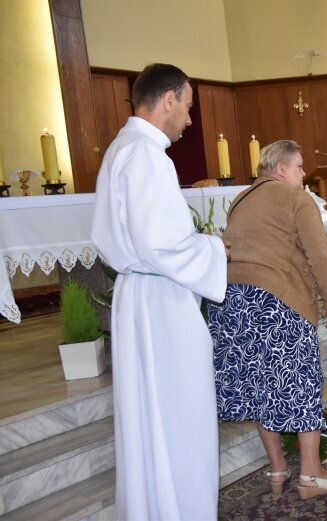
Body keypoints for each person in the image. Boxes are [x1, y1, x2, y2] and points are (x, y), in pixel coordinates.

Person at [91, 63, 228, 520]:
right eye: (187, 107)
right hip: (161, 301)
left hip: (142, 297)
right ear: (167, 99)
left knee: (150, 418)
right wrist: (215, 248)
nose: (189, 120)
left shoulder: (121, 148)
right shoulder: (148, 155)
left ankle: (157, 507)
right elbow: (161, 244)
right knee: (180, 416)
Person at [208, 139, 327, 500]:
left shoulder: (240, 199)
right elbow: (320, 255)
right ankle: (312, 477)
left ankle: (277, 469)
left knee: (259, 388)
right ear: (282, 168)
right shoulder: (296, 198)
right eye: (300, 167)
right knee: (300, 384)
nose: (304, 175)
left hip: (231, 303)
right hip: (277, 300)